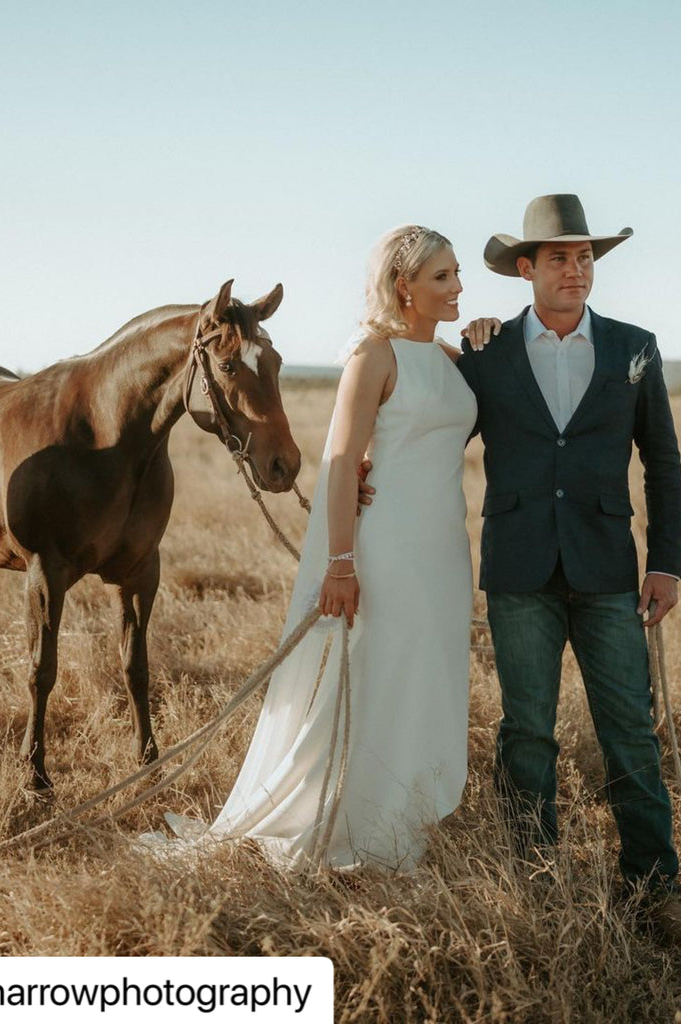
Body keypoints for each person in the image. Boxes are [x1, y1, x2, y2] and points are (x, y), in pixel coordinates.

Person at [160, 224, 477, 870]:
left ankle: (407, 812)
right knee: (377, 670)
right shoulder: (373, 355)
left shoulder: (449, 360)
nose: (458, 287)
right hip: (384, 546)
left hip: (443, 550)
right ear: (403, 286)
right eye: (442, 276)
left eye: (457, 273)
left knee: (425, 675)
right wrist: (340, 562)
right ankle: (358, 826)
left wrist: (489, 335)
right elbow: (338, 462)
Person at [433, 194, 681, 946]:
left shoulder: (633, 347)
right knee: (527, 734)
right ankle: (537, 883)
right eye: (559, 258)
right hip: (518, 569)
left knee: (630, 732)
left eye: (585, 257)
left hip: (611, 571)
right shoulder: (485, 353)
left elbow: (665, 463)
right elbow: (434, 437)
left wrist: (667, 564)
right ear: (527, 269)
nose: (576, 270)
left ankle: (654, 890)